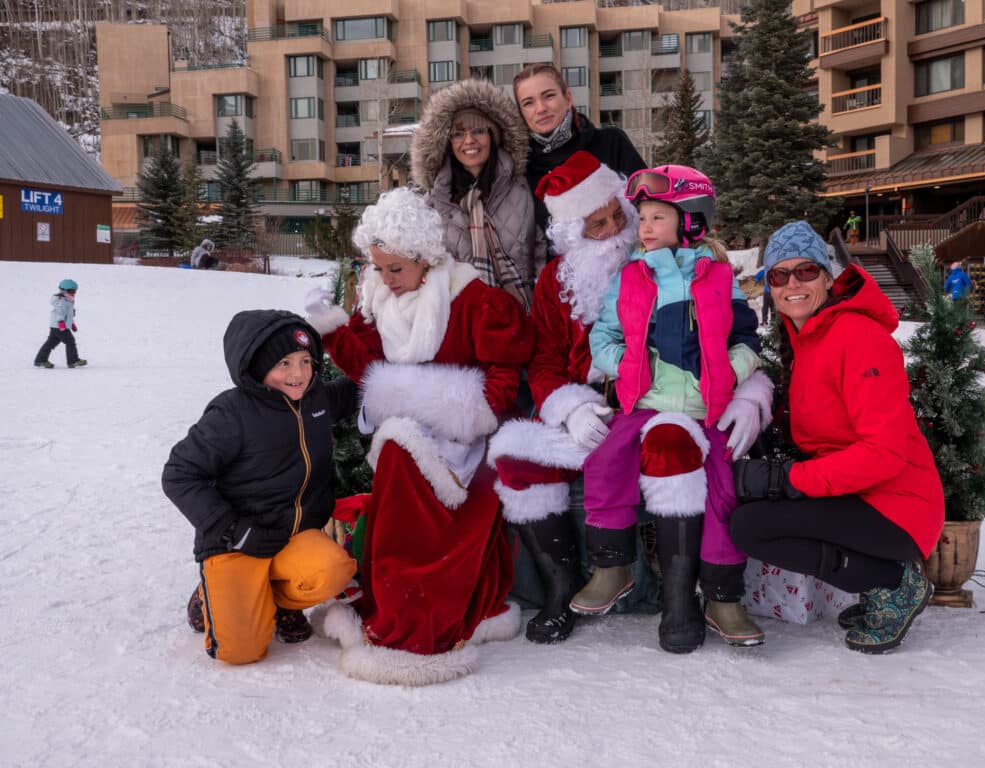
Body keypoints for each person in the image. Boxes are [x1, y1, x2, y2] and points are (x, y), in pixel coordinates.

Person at [306, 187, 533, 685]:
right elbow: (370, 368)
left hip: (469, 443)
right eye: (377, 268)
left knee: (408, 470)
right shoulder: (381, 299)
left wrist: (460, 415)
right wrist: (332, 331)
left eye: (396, 269)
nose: (385, 280)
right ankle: (395, 597)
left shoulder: (473, 299)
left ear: (425, 260)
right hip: (407, 433)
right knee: (398, 461)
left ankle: (415, 622)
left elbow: (501, 379)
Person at [581, 164, 773, 654]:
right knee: (605, 463)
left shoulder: (717, 278)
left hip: (705, 411)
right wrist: (623, 363)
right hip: (644, 404)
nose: (643, 227)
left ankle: (723, 596)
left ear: (690, 222)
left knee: (723, 490)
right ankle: (612, 565)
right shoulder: (630, 278)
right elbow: (601, 336)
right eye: (642, 216)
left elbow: (747, 338)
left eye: (657, 217)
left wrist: (732, 370)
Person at [730, 220, 944, 654]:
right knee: (754, 514)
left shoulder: (857, 338)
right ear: (768, 286)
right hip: (858, 495)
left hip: (897, 505)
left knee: (753, 527)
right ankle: (873, 580)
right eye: (779, 275)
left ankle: (893, 583)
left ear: (828, 277)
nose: (793, 283)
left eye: (806, 271)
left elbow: (883, 453)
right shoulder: (809, 338)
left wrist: (785, 481)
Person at [487, 150, 643, 644]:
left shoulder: (651, 260)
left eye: (619, 215)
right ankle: (561, 585)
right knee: (514, 457)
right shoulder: (556, 281)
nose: (614, 230)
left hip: (644, 407)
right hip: (581, 407)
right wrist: (570, 407)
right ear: (573, 233)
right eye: (598, 224)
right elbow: (546, 361)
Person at [162, 310, 359, 664]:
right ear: (254, 366)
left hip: (294, 537)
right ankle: (211, 595)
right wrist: (232, 530)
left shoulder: (316, 401)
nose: (298, 374)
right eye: (283, 363)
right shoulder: (231, 413)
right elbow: (179, 473)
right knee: (241, 652)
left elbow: (361, 387)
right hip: (237, 542)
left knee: (334, 570)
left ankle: (279, 602)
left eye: (305, 361)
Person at [411, 78, 546, 311]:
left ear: (493, 136)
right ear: (447, 142)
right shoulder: (433, 204)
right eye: (458, 134)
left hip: (521, 316)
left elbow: (541, 258)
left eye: (478, 130)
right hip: (458, 322)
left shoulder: (522, 190)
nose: (469, 140)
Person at [512, 63, 645, 240]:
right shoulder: (522, 168)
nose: (541, 108)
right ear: (521, 113)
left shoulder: (611, 142)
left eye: (549, 96)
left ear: (567, 97)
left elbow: (649, 207)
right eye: (528, 103)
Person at [34, 278, 87, 369]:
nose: (74, 293)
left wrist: (72, 324)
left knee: (50, 343)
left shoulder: (68, 300)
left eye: (75, 291)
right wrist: (61, 323)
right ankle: (73, 361)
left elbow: (69, 315)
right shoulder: (62, 300)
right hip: (60, 327)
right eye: (71, 291)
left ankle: (40, 360)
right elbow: (60, 312)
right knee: (70, 342)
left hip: (56, 326)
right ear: (64, 290)